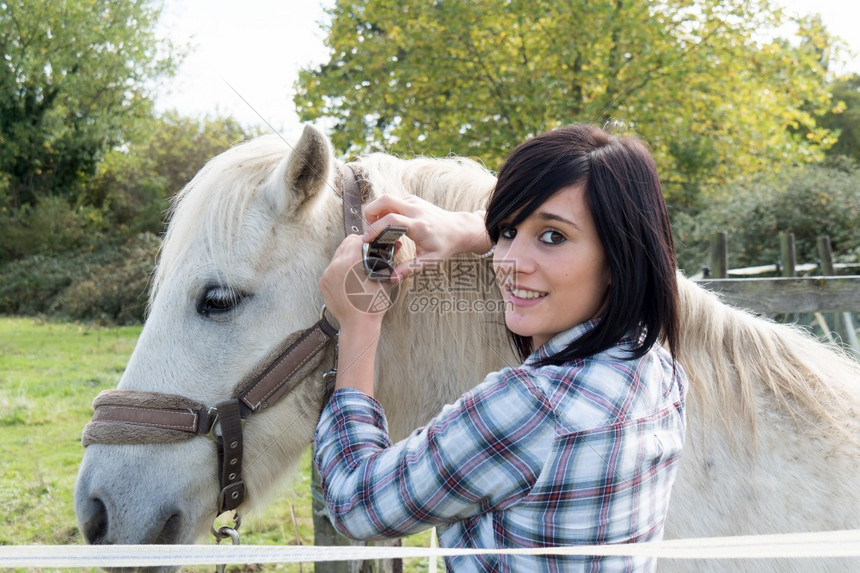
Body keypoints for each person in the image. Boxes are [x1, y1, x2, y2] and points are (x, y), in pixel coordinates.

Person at [315, 123, 687, 571]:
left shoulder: (532, 408)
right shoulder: (656, 366)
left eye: (553, 237)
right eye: (508, 232)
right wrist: (471, 227)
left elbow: (356, 504)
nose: (509, 263)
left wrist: (359, 324)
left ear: (619, 257)